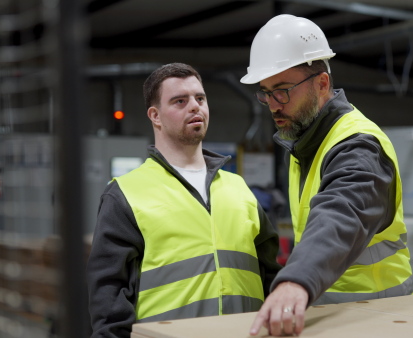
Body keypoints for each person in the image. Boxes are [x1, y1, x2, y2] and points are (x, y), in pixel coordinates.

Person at [240, 15, 413, 336]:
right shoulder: (305, 143)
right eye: (265, 93)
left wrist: (295, 281)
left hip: (379, 317)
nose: (272, 105)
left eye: (282, 91)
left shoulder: (358, 145)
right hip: (334, 317)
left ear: (321, 84)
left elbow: (340, 214)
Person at [86, 63, 281, 337]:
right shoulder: (125, 194)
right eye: (180, 101)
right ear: (155, 116)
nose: (195, 106)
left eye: (200, 98)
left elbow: (271, 274)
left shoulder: (239, 189)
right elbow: (108, 297)